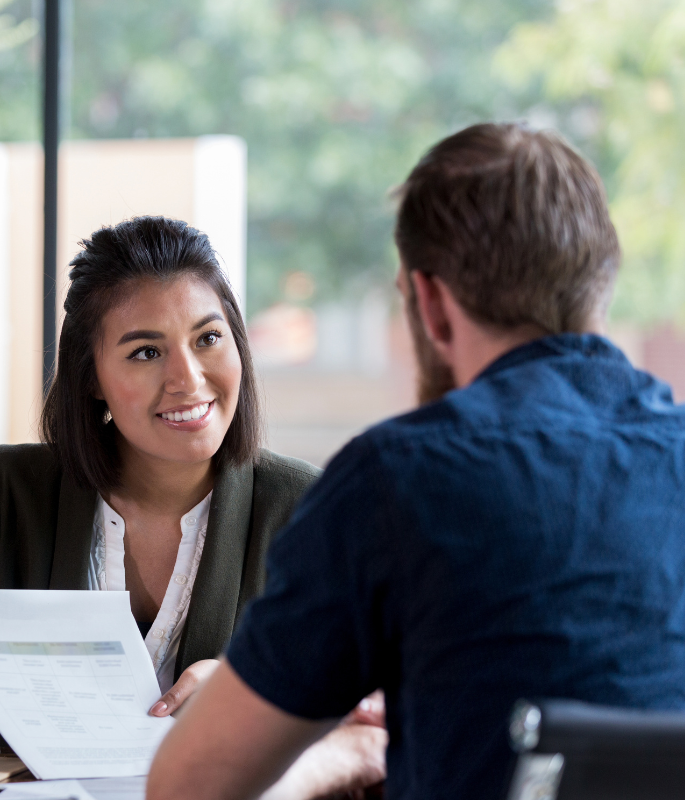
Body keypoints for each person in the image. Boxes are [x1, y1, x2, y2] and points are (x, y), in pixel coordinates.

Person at [147, 122, 685, 800]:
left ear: (429, 302)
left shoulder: (399, 481)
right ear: (602, 281)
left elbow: (188, 788)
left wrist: (352, 750)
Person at [0, 216, 341, 763]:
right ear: (90, 376)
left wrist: (254, 695)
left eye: (208, 338)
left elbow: (373, 707)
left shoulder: (305, 507)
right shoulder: (11, 496)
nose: (188, 378)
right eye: (146, 351)